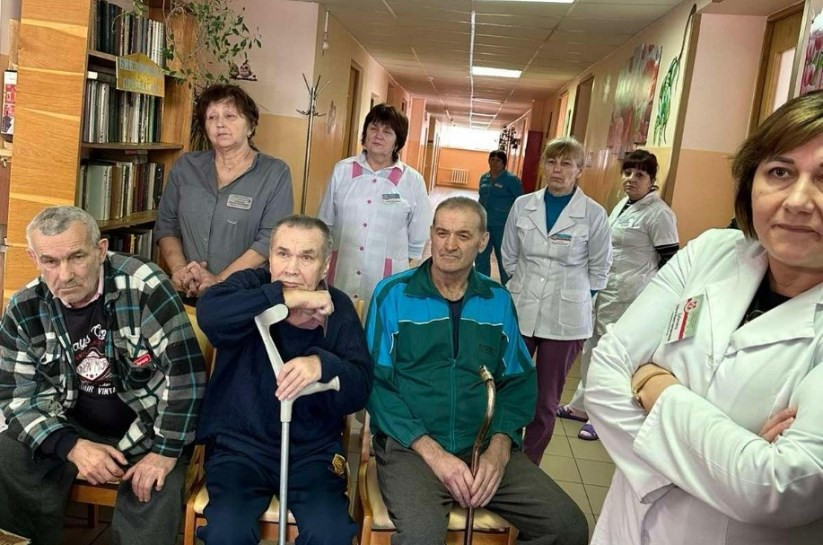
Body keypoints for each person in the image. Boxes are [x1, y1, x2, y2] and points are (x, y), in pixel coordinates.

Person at [586, 90, 823, 545]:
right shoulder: (713, 251)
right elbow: (603, 377)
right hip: (624, 529)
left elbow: (777, 489)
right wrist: (731, 458)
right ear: (750, 181)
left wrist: (656, 386)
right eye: (780, 172)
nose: (797, 200)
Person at [366, 196, 588, 545]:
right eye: (442, 233)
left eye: (463, 235)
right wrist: (434, 454)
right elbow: (375, 384)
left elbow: (518, 382)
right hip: (412, 447)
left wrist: (498, 449)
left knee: (568, 527)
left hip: (481, 445)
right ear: (431, 234)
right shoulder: (393, 295)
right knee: (422, 538)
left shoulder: (497, 300)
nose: (449, 245)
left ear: (483, 241)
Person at [0, 206, 206, 545]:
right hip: (71, 424)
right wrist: (70, 445)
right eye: (50, 261)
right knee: (8, 453)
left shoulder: (144, 286)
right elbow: (15, 397)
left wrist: (165, 452)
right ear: (34, 258)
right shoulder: (24, 307)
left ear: (100, 249)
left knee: (153, 489)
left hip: (148, 428)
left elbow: (186, 376)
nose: (65, 274)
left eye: (77, 257)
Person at [195, 215, 374, 545]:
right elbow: (209, 313)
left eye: (306, 257)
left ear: (325, 265)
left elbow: (360, 387)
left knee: (331, 533)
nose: (291, 268)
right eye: (283, 254)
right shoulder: (249, 286)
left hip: (312, 453)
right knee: (227, 532)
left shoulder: (339, 307)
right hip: (240, 450)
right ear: (270, 257)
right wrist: (287, 297)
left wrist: (322, 364)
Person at [501, 136, 612, 464]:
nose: (558, 170)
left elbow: (600, 268)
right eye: (551, 162)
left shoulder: (593, 214)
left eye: (566, 164)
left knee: (546, 400)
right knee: (509, 387)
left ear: (580, 170)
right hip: (522, 308)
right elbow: (509, 255)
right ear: (543, 166)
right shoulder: (524, 205)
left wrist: (575, 297)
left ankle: (529, 463)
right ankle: (501, 452)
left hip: (566, 320)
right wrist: (522, 285)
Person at [557, 149, 679, 441]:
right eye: (627, 172)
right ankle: (581, 406)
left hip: (631, 295)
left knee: (614, 356)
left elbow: (671, 260)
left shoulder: (659, 214)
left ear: (652, 179)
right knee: (592, 348)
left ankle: (603, 419)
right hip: (607, 290)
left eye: (640, 174)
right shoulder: (623, 204)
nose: (631, 179)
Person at [155, 83, 293, 298]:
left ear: (250, 126)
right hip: (188, 291)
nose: (220, 124)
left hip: (244, 294)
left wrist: (219, 280)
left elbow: (271, 238)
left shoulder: (275, 173)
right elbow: (166, 225)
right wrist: (180, 270)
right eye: (212, 117)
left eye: (230, 116)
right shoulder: (186, 167)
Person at [317, 103, 432, 308]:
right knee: (339, 319)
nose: (378, 135)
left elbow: (418, 237)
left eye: (387, 131)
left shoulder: (412, 180)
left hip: (386, 277)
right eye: (373, 128)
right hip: (342, 270)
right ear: (365, 133)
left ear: (398, 141)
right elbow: (325, 224)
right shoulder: (343, 170)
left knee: (378, 321)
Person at [475, 149, 523, 284]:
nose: (495, 163)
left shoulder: (511, 180)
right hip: (484, 224)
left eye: (498, 160)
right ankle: (482, 284)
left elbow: (520, 201)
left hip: (502, 225)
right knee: (481, 255)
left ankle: (507, 286)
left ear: (504, 163)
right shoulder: (484, 178)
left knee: (503, 257)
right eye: (492, 159)